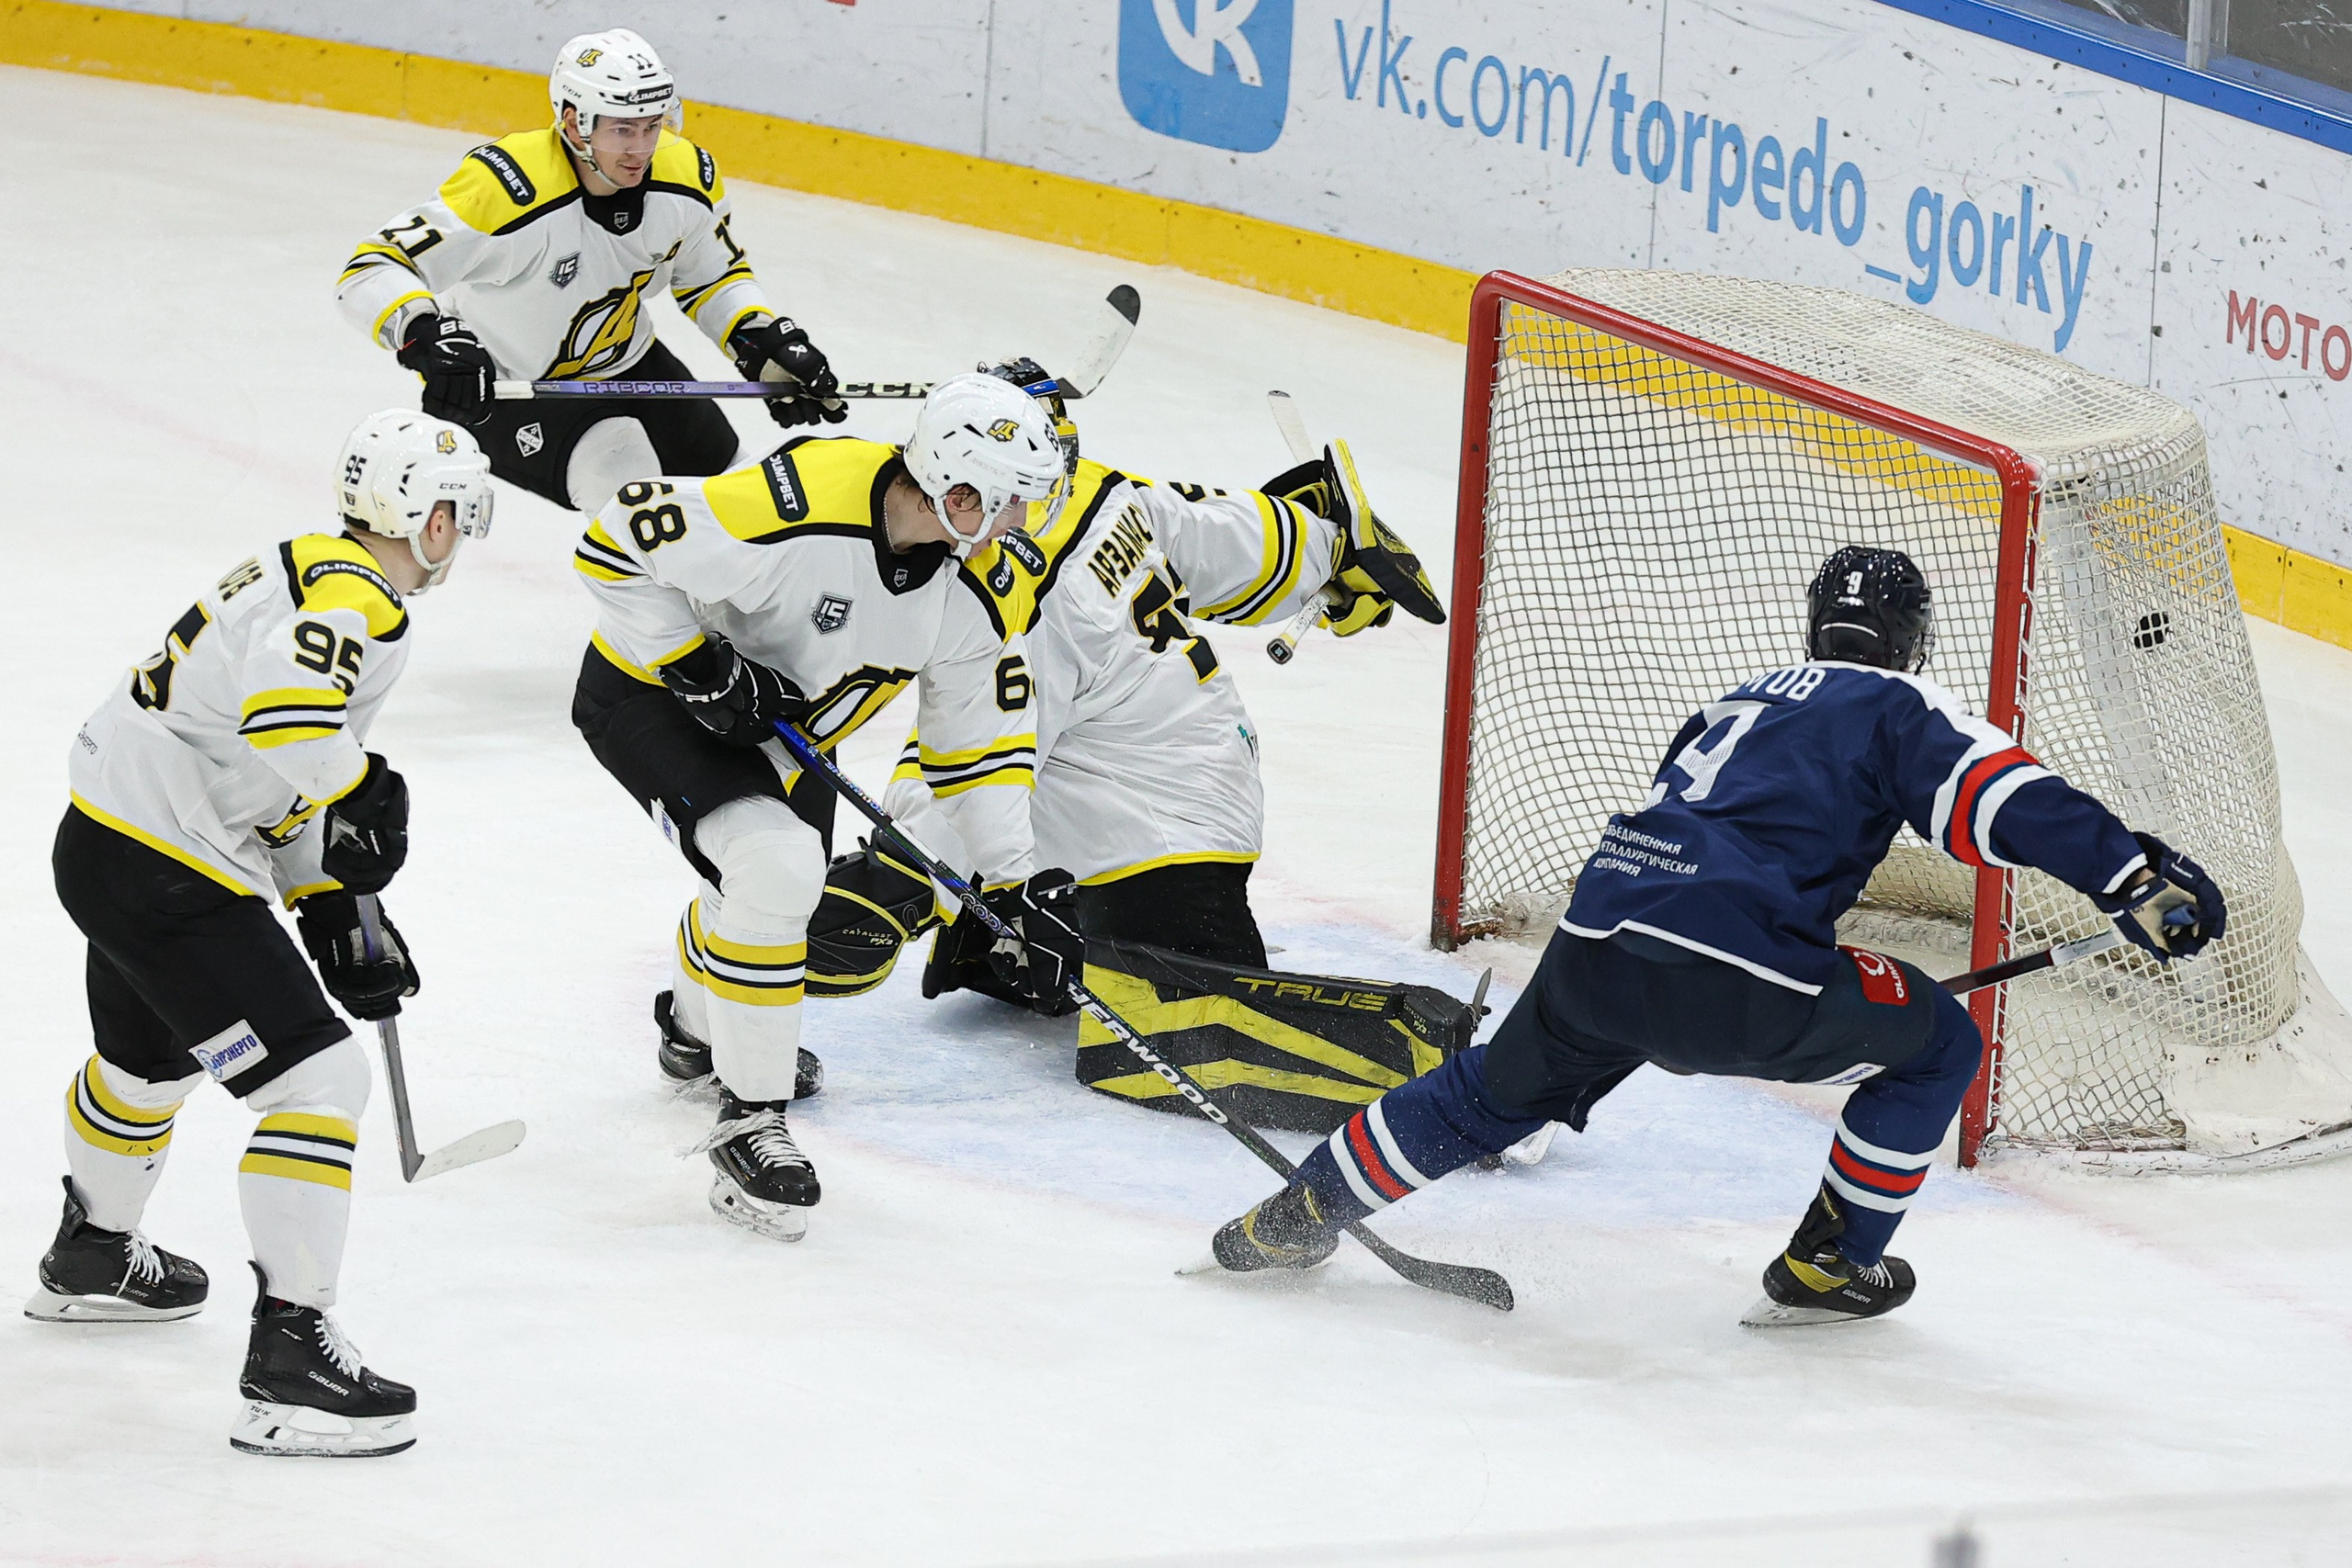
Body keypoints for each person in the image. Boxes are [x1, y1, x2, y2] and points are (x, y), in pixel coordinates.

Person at [1201, 546, 2229, 1323]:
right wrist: (2127, 874)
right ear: (1912, 640)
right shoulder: (1899, 704)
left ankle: (1295, 1213)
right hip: (1740, 978)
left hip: (1594, 944)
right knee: (1940, 1046)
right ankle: (1830, 1260)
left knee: (1485, 1100)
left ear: (1814, 622)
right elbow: (1994, 800)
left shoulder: (1735, 699)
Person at [651, 365, 1465, 1134]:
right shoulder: (1109, 491)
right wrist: (1330, 550)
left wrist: (897, 881)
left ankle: (1425, 1069)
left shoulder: (1020, 597)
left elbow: (974, 755)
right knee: (1045, 915)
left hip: (1165, 832)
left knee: (1181, 1011)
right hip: (1190, 773)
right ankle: (1016, 941)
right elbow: (1244, 537)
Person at [30, 411, 493, 1455]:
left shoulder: (300, 566)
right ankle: (292, 1362)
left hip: (109, 843)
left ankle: (94, 1254)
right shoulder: (356, 597)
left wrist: (327, 897)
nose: (459, 534)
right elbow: (288, 724)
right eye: (452, 514)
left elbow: (273, 766)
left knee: (146, 1065)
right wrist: (368, 788)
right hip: (168, 872)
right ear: (414, 515)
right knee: (320, 1086)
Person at [571, 371, 1078, 1242]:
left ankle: (696, 1035)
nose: (1024, 526)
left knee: (767, 893)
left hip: (785, 727)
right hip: (653, 691)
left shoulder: (977, 588)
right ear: (958, 493)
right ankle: (748, 1120)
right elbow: (615, 537)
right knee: (776, 868)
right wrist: (696, 662)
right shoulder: (800, 503)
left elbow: (975, 747)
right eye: (1012, 503)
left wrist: (1014, 881)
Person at [335, 28, 843, 515]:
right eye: (622, 129)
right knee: (643, 509)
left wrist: (760, 344)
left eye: (651, 126)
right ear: (576, 122)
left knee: (732, 495)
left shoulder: (683, 175)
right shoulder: (508, 188)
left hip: (629, 363)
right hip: (512, 389)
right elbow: (372, 267)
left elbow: (712, 278)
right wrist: (426, 337)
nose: (641, 149)